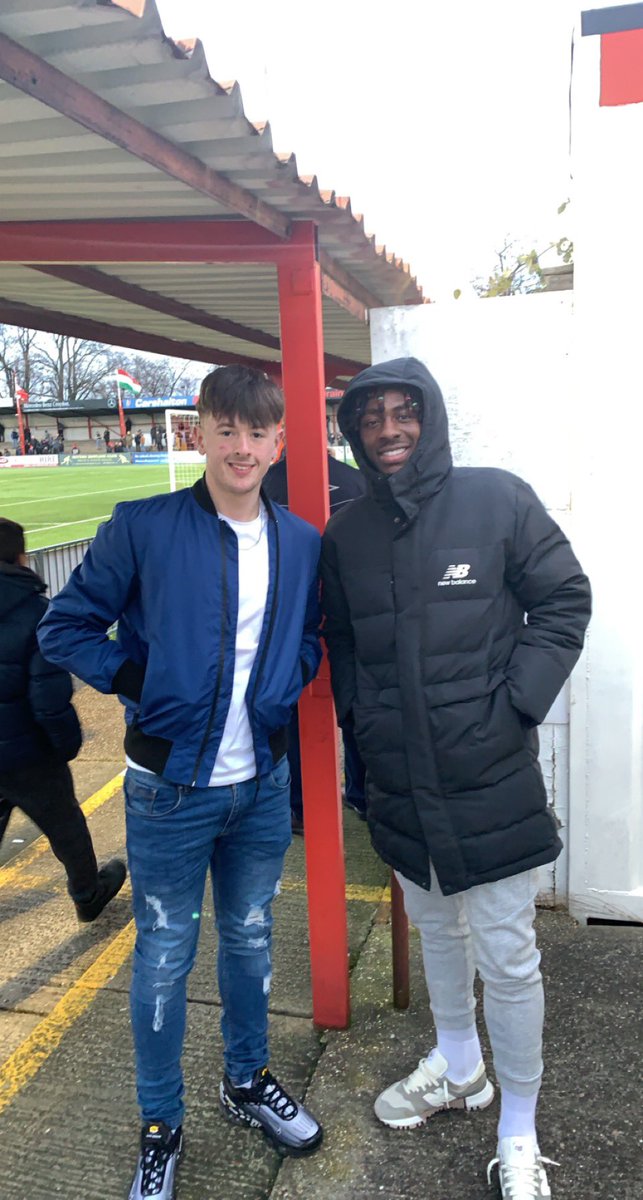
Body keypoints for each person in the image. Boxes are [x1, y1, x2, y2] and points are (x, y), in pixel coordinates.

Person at [38, 364, 324, 1199]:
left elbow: (310, 637)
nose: (241, 446)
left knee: (251, 939)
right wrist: (138, 677)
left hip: (260, 786)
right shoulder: (144, 527)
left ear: (280, 442)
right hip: (168, 793)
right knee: (164, 958)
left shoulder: (302, 542)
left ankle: (245, 1081)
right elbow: (67, 625)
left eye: (256, 431)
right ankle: (160, 1126)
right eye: (224, 428)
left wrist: (285, 684)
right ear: (197, 431)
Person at [320, 357, 591, 1200]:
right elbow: (347, 648)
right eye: (372, 419)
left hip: (489, 778)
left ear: (429, 420)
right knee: (437, 932)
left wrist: (515, 707)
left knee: (508, 957)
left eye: (405, 413)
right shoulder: (346, 533)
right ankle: (459, 1065)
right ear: (356, 433)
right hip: (401, 783)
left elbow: (562, 600)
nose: (390, 430)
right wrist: (363, 736)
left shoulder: (496, 499)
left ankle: (518, 1126)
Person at [0, 519, 126, 922]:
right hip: (27, 752)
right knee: (65, 824)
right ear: (20, 556)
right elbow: (47, 696)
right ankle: (88, 893)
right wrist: (64, 744)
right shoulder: (34, 610)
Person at [263, 449, 368, 831]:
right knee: (357, 703)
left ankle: (300, 805)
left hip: (286, 613)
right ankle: (361, 795)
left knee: (291, 708)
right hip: (350, 610)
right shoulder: (356, 479)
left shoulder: (266, 480)